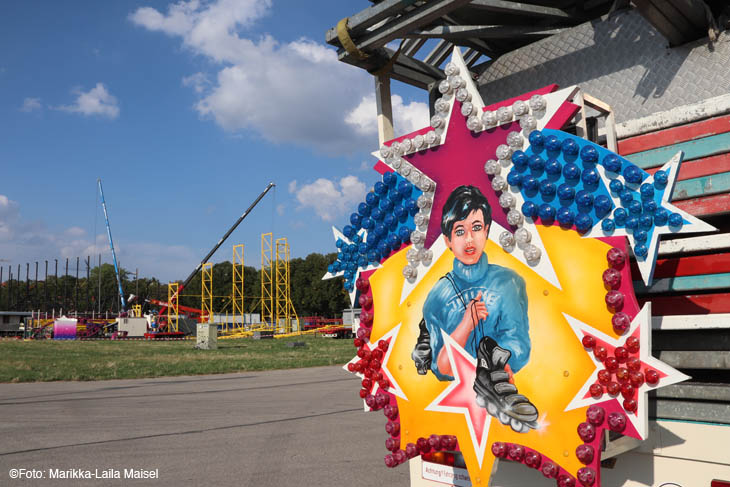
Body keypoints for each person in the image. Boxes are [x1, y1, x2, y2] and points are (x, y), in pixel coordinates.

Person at [412, 185, 538, 433]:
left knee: (493, 352)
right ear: (448, 240)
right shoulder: (437, 297)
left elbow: (519, 342)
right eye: (460, 231)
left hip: (502, 384)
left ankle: (492, 374)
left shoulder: (510, 282)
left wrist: (502, 363)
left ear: (487, 230)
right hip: (456, 412)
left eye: (477, 228)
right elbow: (443, 368)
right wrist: (466, 324)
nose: (469, 239)